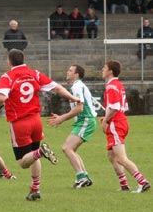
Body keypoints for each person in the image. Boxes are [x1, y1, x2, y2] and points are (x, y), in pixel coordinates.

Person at [0, 49, 80, 201]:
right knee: (33, 155)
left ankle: (40, 153)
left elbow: (1, 97)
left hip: (20, 123)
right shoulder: (35, 74)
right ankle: (35, 189)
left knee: (22, 162)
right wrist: (72, 97)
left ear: (9, 62)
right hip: (36, 121)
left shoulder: (7, 76)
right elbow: (56, 88)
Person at [100, 60, 150, 193]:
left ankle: (142, 182)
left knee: (121, 158)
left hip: (116, 124)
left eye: (104, 68)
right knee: (111, 156)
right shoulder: (118, 85)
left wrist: (106, 119)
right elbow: (123, 106)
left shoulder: (111, 87)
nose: (102, 70)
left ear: (110, 71)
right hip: (120, 121)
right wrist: (107, 117)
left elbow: (115, 107)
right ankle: (124, 185)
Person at [47, 65, 96, 188]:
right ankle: (85, 177)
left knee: (67, 148)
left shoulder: (77, 86)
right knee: (71, 149)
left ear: (77, 74)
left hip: (85, 120)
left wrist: (62, 118)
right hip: (83, 120)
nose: (67, 72)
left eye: (70, 70)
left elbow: (80, 108)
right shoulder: (77, 86)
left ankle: (81, 177)